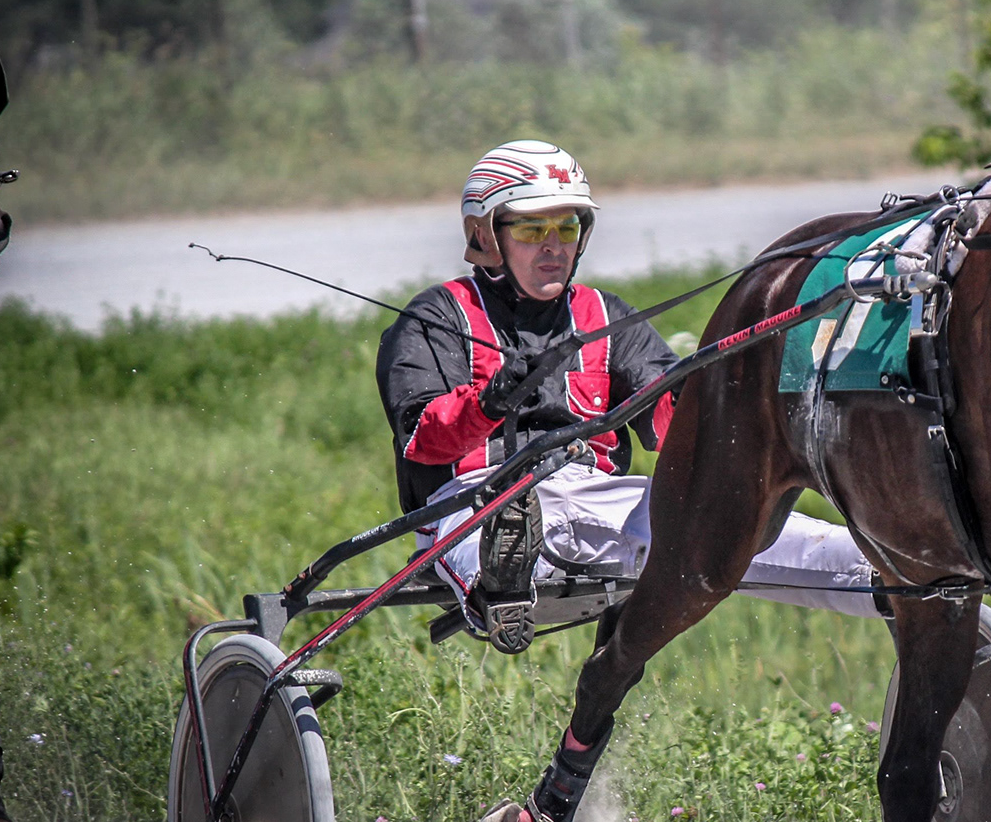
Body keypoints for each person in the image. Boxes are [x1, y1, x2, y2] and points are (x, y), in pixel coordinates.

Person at [376, 139, 878, 659]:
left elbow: (671, 425)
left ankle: (891, 570)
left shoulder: (606, 316)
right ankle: (502, 580)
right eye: (532, 229)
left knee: (721, 519)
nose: (553, 246)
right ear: (485, 234)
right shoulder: (435, 316)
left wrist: (698, 397)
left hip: (595, 497)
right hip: (472, 497)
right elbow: (421, 439)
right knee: (479, 526)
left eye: (567, 227)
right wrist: (491, 400)